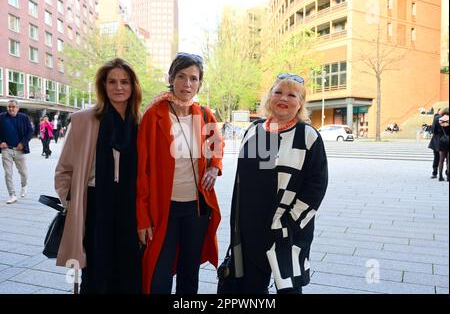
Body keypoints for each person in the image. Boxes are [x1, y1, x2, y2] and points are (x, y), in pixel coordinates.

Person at [225, 73, 328, 294]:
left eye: (292, 94)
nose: (284, 98)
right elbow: (245, 184)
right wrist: (238, 226)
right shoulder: (255, 131)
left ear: (300, 103)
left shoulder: (308, 136)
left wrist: (289, 222)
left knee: (289, 288)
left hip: (288, 230)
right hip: (251, 231)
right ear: (269, 97)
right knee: (251, 289)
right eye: (278, 92)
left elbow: (316, 187)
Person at [136, 52, 224, 294]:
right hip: (163, 209)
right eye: (182, 77)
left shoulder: (204, 114)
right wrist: (142, 218)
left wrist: (215, 166)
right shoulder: (154, 114)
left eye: (194, 79)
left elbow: (217, 144)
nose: (187, 84)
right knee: (159, 275)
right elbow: (141, 171)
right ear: (171, 78)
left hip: (196, 208)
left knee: (189, 273)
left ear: (200, 83)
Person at [54, 58, 143, 293]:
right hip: (95, 204)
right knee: (96, 272)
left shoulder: (141, 123)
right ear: (103, 85)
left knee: (130, 271)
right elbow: (64, 170)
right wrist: (72, 202)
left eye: (124, 82)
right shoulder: (83, 120)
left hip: (131, 206)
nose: (118, 87)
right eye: (112, 81)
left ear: (133, 86)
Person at [0, 100, 33, 204]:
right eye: (9, 107)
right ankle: (12, 195)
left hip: (19, 150)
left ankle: (24, 185)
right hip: (6, 150)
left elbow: (30, 131)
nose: (11, 108)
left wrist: (23, 143)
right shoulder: (1, 117)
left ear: (18, 108)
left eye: (13, 107)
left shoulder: (24, 117)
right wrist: (0, 142)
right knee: (8, 173)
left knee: (23, 172)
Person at [428, 108, 444, 178]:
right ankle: (447, 173)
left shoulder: (436, 118)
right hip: (446, 140)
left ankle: (435, 173)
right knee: (446, 158)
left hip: (437, 140)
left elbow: (433, 130)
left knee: (436, 157)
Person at [437, 108, 449, 182]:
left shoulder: (438, 120)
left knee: (441, 160)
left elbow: (435, 131)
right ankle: (448, 177)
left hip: (442, 141)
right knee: (448, 160)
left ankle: (440, 176)